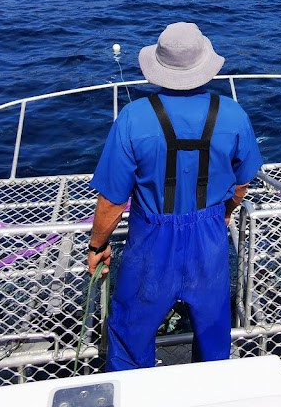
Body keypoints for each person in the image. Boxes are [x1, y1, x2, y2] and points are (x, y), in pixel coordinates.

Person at [87, 22, 264, 371]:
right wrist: (225, 211)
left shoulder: (133, 118)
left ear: (158, 70)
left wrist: (97, 246)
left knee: (130, 331)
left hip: (151, 241)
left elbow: (111, 201)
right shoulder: (232, 113)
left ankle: (132, 398)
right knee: (214, 331)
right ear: (204, 66)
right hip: (210, 237)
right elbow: (244, 180)